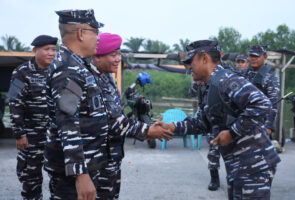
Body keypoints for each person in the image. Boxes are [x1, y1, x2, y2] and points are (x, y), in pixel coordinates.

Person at [45, 9, 172, 200]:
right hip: (75, 173)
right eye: (95, 32)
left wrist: (146, 129)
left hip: (94, 162)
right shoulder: (67, 69)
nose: (97, 38)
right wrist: (80, 174)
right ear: (80, 33)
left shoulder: (79, 66)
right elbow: (68, 125)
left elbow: (105, 116)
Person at [157, 40, 281, 199]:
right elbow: (204, 123)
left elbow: (262, 104)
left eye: (190, 61)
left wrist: (232, 132)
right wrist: (172, 126)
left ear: (204, 58)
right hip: (238, 164)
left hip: (253, 164)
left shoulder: (227, 79)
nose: (188, 67)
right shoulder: (209, 86)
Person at [8, 35, 57, 200]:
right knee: (30, 178)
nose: (51, 53)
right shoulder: (22, 72)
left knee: (60, 178)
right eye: (46, 49)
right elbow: (15, 103)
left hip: (55, 135)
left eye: (53, 49)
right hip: (31, 135)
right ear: (35, 50)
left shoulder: (58, 71)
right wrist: (19, 133)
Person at [243, 45, 280, 137]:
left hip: (260, 125)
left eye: (257, 56)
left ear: (265, 57)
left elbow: (273, 104)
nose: (253, 59)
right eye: (251, 56)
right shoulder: (242, 74)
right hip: (242, 124)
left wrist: (268, 126)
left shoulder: (270, 78)